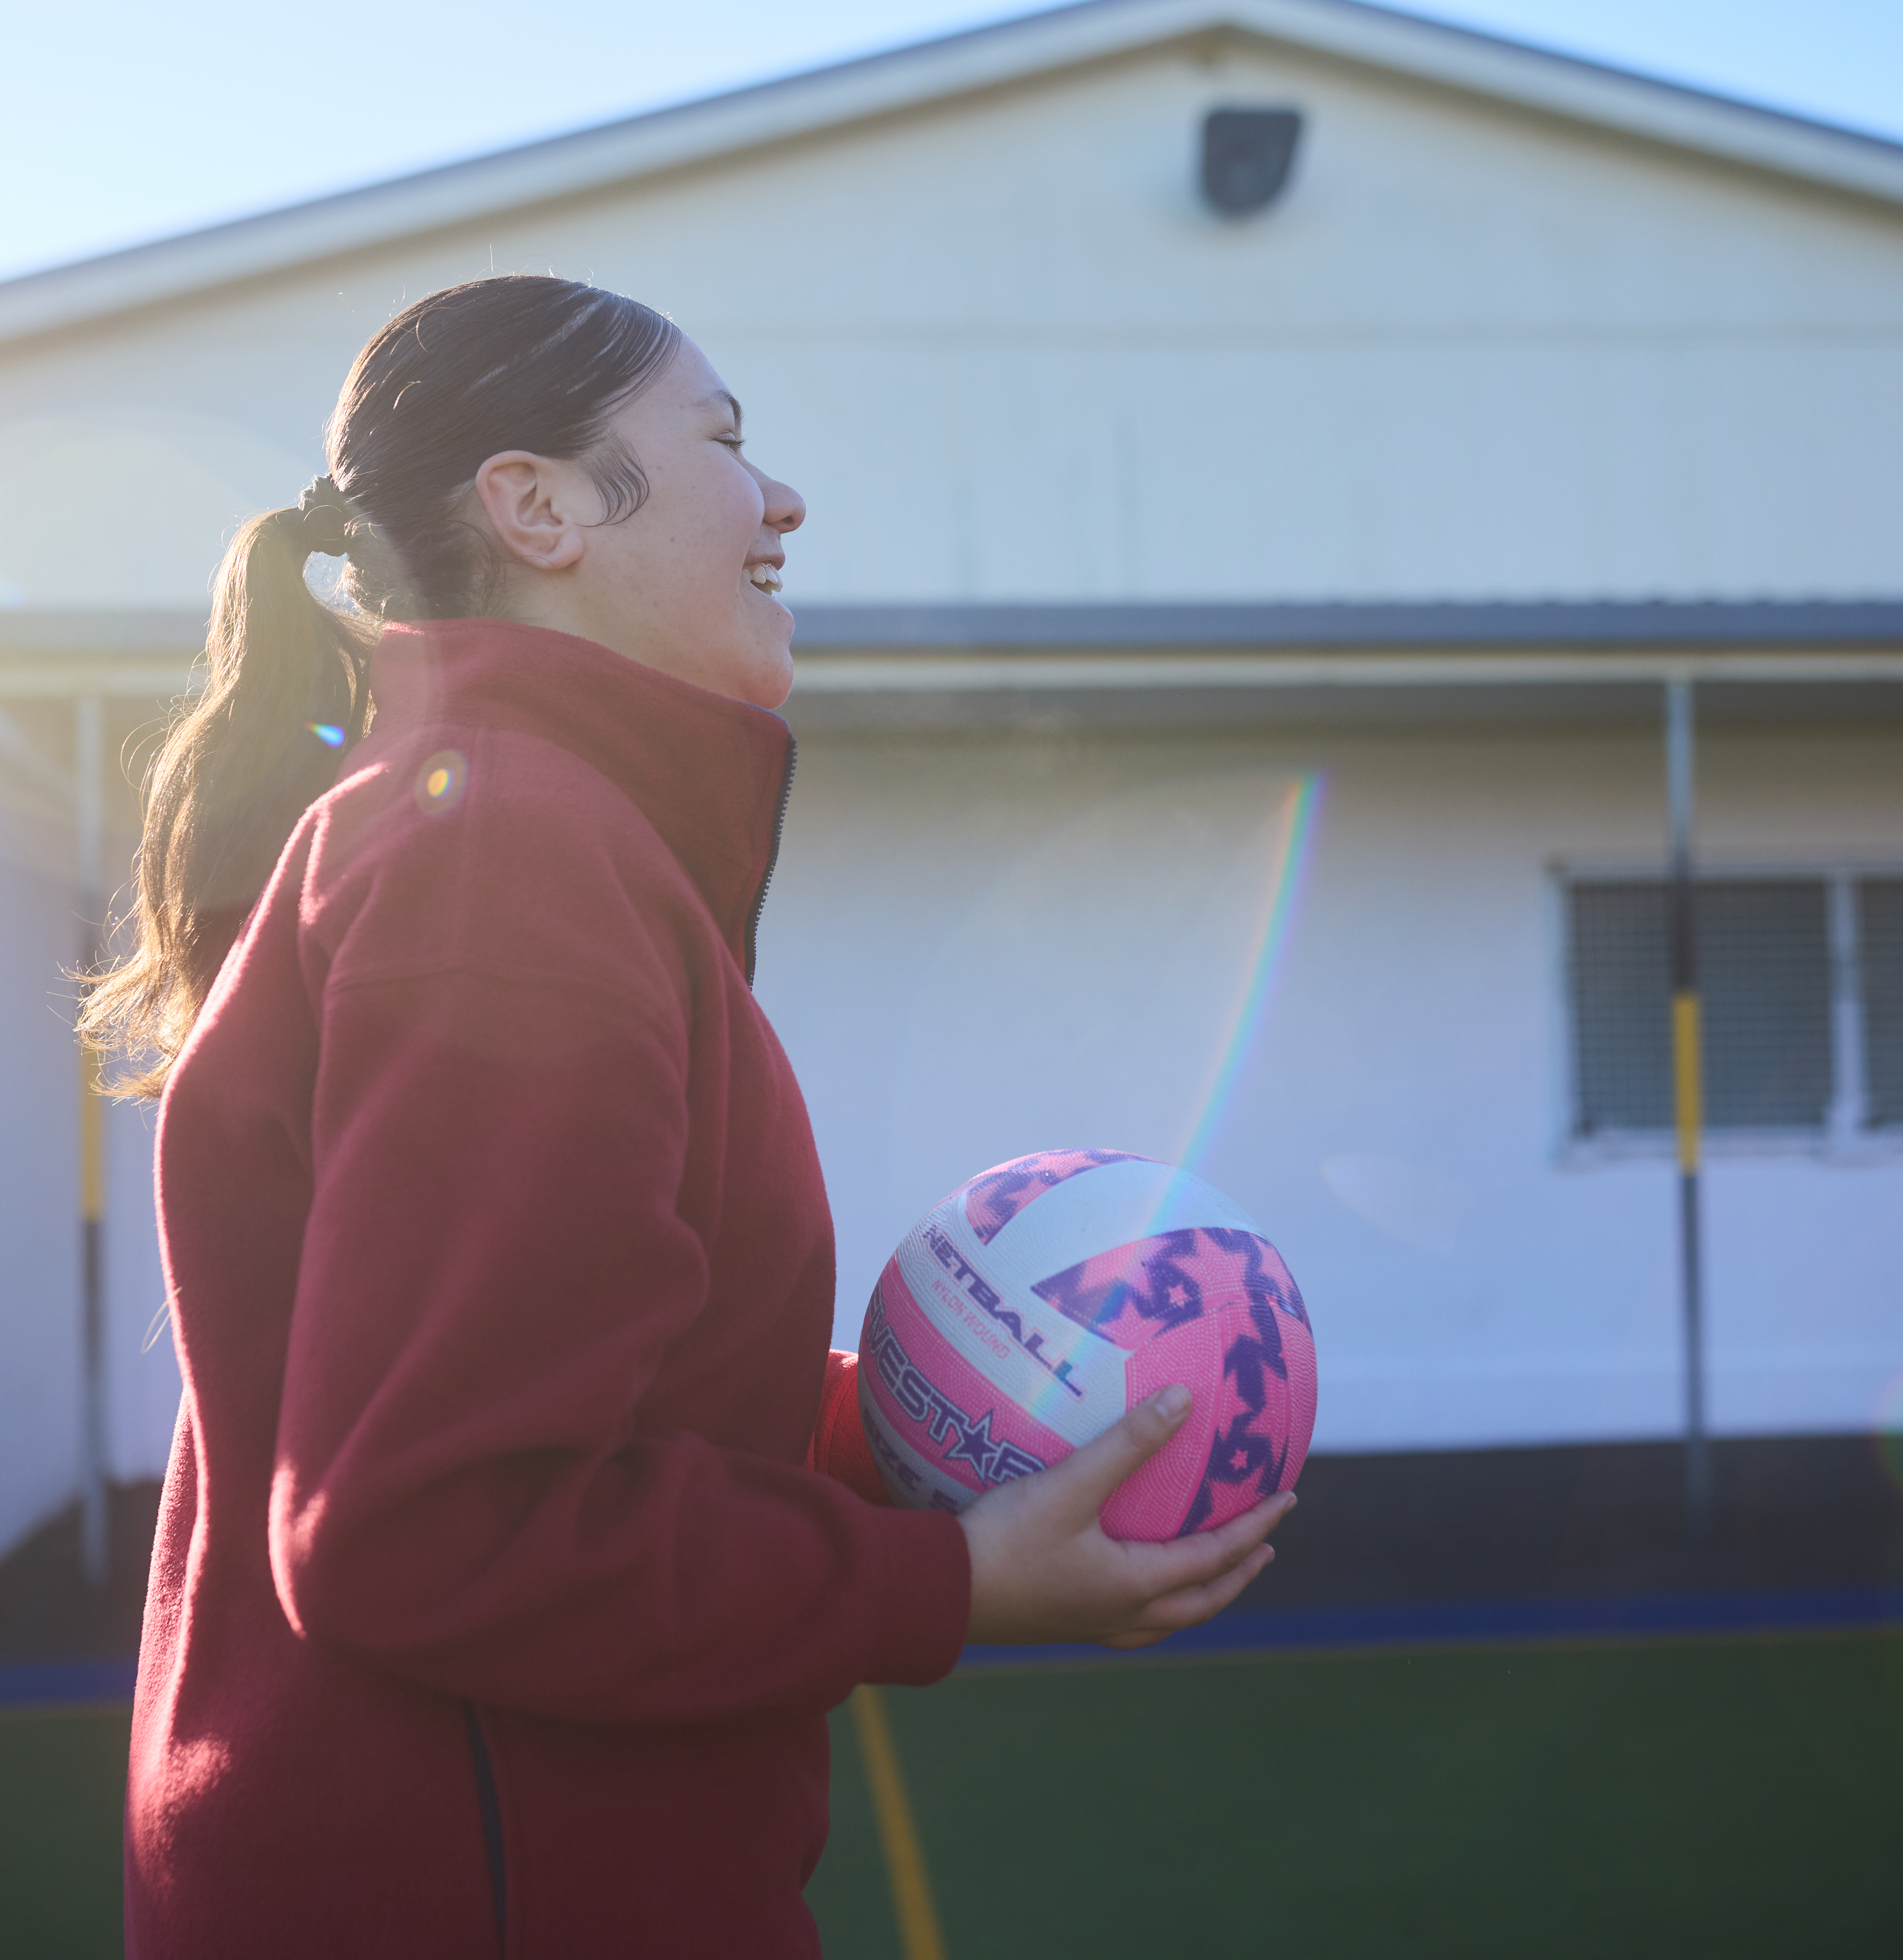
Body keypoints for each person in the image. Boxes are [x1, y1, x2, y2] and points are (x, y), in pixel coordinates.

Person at [79, 275, 1294, 1957]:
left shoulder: (510, 830)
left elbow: (599, 1380)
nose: (780, 496)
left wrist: (937, 1419)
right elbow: (433, 1522)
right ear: (536, 507)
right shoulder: (507, 862)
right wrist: (946, 1585)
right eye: (722, 441)